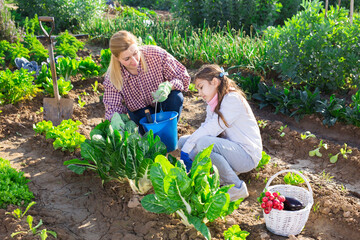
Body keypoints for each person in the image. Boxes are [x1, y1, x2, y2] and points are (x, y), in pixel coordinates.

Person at [179, 64, 262, 201]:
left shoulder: (232, 100)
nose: (199, 93)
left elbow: (211, 129)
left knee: (202, 143)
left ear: (215, 82)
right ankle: (205, 178)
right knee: (183, 141)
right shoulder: (214, 102)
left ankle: (236, 187)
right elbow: (206, 126)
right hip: (232, 150)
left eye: (201, 87)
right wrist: (187, 147)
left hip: (247, 156)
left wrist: (188, 148)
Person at [103, 30, 191, 134]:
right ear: (117, 58)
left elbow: (182, 77)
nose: (134, 61)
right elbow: (112, 106)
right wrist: (116, 119)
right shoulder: (113, 76)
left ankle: (170, 130)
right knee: (149, 135)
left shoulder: (155, 55)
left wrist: (169, 86)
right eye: (127, 59)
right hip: (140, 110)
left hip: (165, 103)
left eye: (135, 53)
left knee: (176, 97)